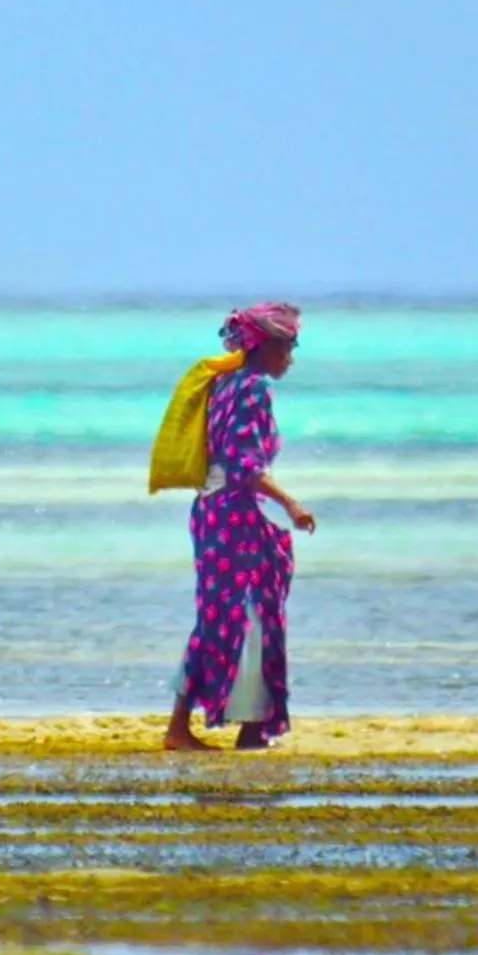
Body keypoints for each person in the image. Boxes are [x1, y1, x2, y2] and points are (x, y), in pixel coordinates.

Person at [164, 303, 316, 751]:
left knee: (224, 615)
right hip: (234, 513)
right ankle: (208, 727)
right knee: (253, 614)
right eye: (288, 347)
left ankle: (250, 725)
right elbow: (244, 465)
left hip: (212, 512)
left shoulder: (222, 386)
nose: (291, 357)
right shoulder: (250, 392)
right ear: (265, 347)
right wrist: (292, 504)